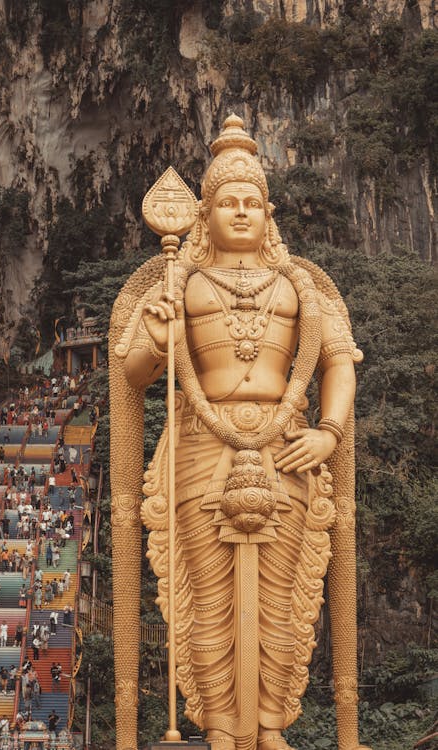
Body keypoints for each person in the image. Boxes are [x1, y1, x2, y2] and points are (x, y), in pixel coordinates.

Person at [109, 116, 367, 750]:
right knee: (208, 599)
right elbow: (134, 371)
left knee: (282, 599)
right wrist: (162, 335)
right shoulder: (179, 281)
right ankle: (223, 729)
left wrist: (329, 433)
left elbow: (339, 361)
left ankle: (272, 725)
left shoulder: (301, 284)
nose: (242, 211)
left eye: (253, 201)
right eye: (228, 201)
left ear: (269, 211)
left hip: (289, 448)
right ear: (206, 211)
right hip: (202, 444)